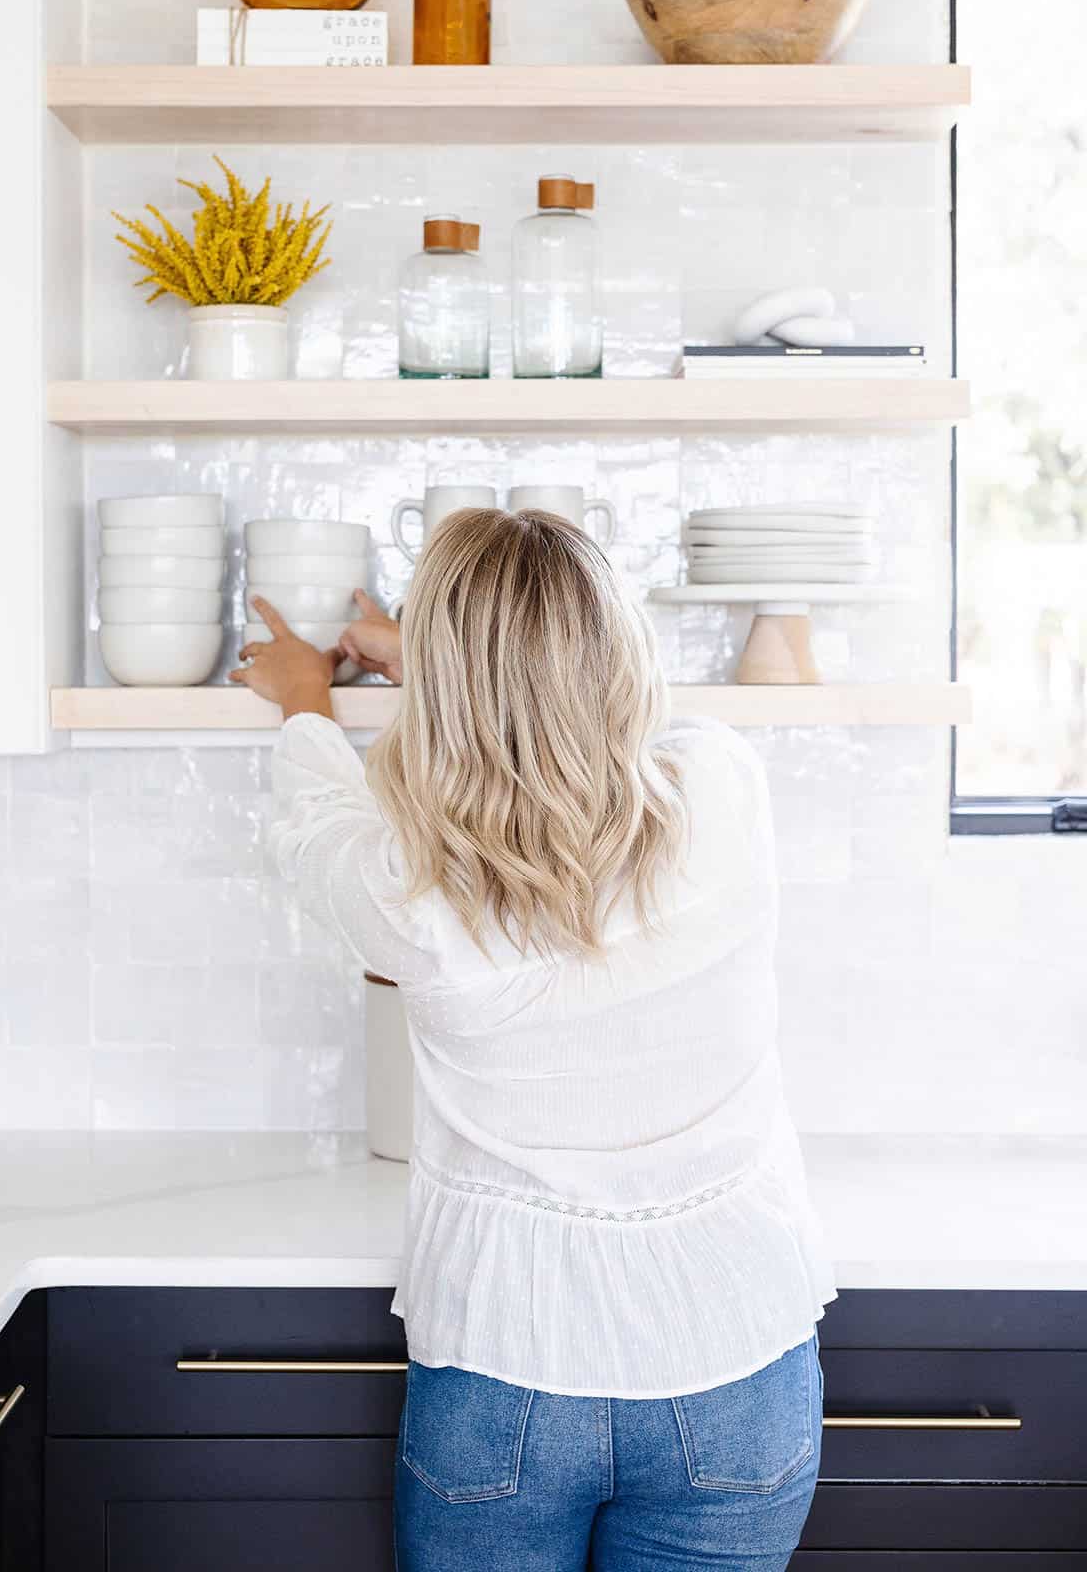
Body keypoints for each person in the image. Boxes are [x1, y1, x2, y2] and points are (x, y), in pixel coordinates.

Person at [232, 507, 834, 1572]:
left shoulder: (408, 889)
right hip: (735, 1356)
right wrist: (444, 657)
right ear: (620, 647)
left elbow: (313, 821)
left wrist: (307, 698)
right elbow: (567, 727)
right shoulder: (721, 790)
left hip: (507, 1367)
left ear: (444, 686)